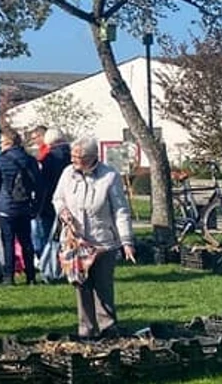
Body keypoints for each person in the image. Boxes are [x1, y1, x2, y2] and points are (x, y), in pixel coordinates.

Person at [50, 138, 136, 340]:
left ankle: (108, 329)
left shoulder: (109, 176)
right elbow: (57, 198)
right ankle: (86, 331)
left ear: (91, 158)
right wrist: (62, 211)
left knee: (103, 288)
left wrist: (126, 242)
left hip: (103, 242)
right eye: (72, 156)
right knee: (81, 286)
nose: (73, 160)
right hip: (75, 242)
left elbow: (121, 210)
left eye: (78, 157)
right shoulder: (67, 173)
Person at [0, 127, 41, 285]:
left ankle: (8, 276)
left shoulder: (1, 160)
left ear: (8, 143)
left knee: (8, 242)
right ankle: (30, 276)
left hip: (6, 207)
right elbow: (39, 185)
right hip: (25, 206)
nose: (0, 146)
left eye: (1, 143)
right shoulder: (30, 160)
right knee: (27, 242)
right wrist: (36, 207)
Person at [34, 129, 71, 255]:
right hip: (70, 199)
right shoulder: (73, 155)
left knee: (47, 234)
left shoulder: (49, 158)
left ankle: (50, 262)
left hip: (49, 199)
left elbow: (42, 182)